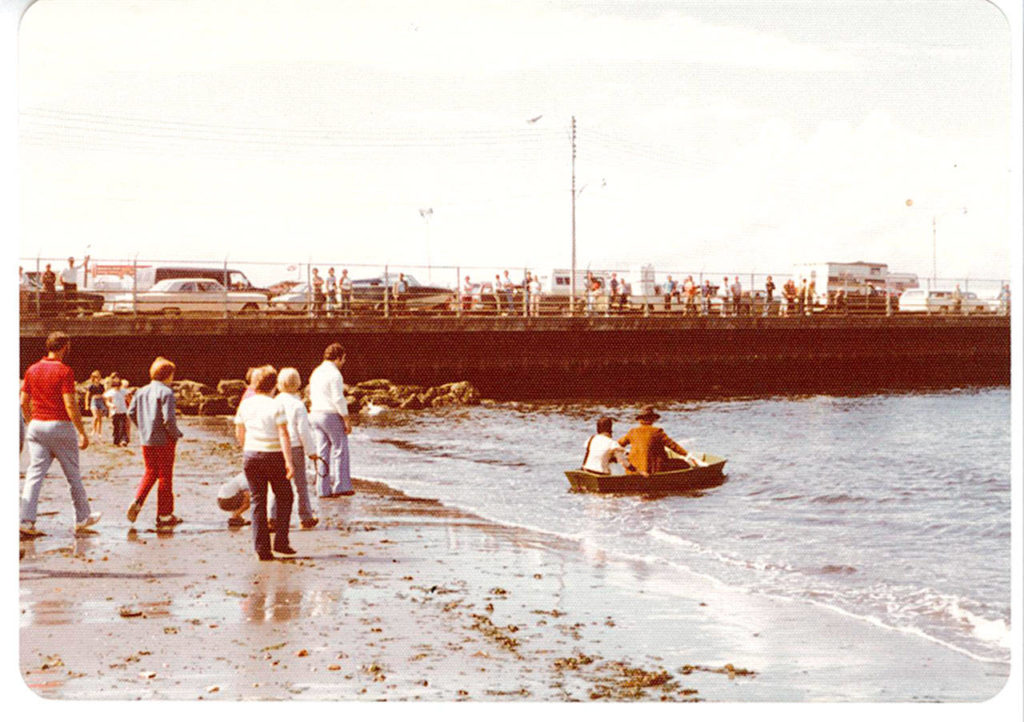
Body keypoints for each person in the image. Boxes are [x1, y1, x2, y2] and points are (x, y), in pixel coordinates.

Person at [20, 331, 102, 536]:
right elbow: (69, 404)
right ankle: (82, 517)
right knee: (72, 474)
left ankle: (26, 520)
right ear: (64, 347)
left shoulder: (31, 369)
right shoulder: (65, 371)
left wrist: (31, 421)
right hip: (60, 426)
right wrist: (82, 431)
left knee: (34, 474)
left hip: (37, 425)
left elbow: (23, 401)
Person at [234, 366, 296, 560]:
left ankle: (261, 548)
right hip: (274, 455)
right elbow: (283, 433)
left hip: (252, 455)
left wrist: (246, 447)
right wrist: (289, 461)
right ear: (274, 385)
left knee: (257, 500)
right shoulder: (275, 405)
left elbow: (239, 431)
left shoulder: (245, 404)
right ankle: (281, 541)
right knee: (285, 496)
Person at [127, 357, 184, 528]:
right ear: (168, 375)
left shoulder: (141, 391)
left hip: (147, 439)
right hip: (164, 439)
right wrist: (175, 435)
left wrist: (142, 428)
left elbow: (131, 412)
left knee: (150, 471)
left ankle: (138, 499)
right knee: (165, 476)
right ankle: (165, 514)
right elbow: (168, 420)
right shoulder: (166, 392)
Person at [270, 368, 320, 530]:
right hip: (295, 447)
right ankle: (305, 516)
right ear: (298, 384)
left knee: (276, 485)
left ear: (279, 383)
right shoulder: (298, 405)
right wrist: (311, 451)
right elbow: (303, 431)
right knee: (300, 485)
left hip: (277, 447)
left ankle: (272, 516)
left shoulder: (274, 402)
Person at [309, 342, 353, 497]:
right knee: (340, 449)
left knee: (322, 452)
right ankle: (342, 485)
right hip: (330, 414)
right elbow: (338, 398)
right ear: (339, 358)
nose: (344, 362)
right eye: (344, 359)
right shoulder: (335, 374)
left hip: (315, 413)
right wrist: (346, 418)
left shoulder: (316, 372)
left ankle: (322, 488)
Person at [618, 407, 691, 476]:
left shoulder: (632, 432)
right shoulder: (657, 431)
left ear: (640, 420)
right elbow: (673, 446)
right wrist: (687, 454)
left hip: (635, 470)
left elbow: (618, 444)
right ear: (652, 419)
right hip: (654, 469)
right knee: (683, 463)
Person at [104, 372, 130, 446]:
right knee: (116, 426)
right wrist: (111, 405)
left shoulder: (124, 391)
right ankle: (116, 440)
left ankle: (123, 440)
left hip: (123, 411)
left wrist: (130, 407)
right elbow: (107, 402)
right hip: (114, 412)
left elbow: (128, 399)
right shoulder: (110, 392)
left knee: (122, 426)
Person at [85, 370, 106, 440]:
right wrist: (86, 404)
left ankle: (99, 432)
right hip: (94, 401)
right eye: (96, 377)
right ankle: (93, 430)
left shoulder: (102, 386)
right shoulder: (91, 386)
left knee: (100, 418)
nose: (98, 378)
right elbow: (87, 396)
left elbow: (104, 394)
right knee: (95, 417)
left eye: (99, 377)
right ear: (93, 378)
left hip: (100, 400)